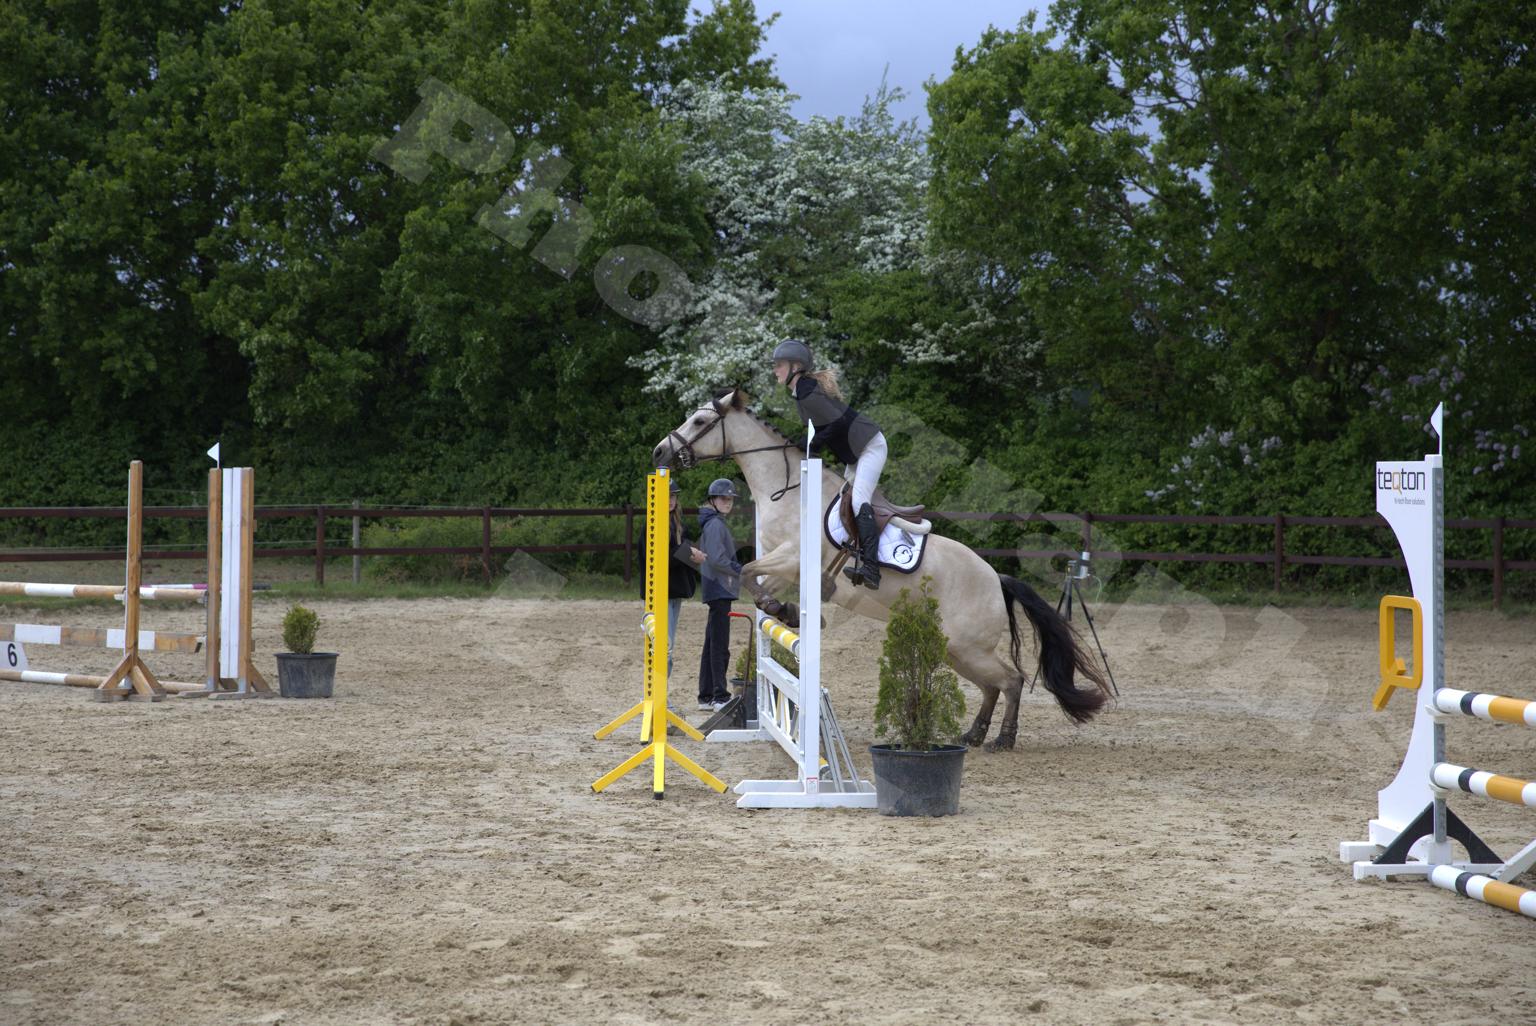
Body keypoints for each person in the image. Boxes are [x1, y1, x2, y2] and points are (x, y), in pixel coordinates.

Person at [771, 338, 887, 588]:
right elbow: (823, 426)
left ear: (795, 367)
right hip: (857, 454)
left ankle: (872, 568)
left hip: (870, 446)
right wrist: (805, 442)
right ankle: (856, 553)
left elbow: (836, 423)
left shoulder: (807, 392)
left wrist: (813, 443)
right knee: (842, 501)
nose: (775, 370)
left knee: (858, 501)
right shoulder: (802, 391)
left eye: (779, 365)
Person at [696, 478, 743, 711]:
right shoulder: (715, 524)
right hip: (719, 588)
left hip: (717, 589)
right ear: (713, 500)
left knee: (711, 643)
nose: (728, 502)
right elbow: (716, 559)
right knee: (719, 646)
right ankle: (719, 696)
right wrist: (740, 570)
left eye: (730, 499)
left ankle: (706, 696)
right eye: (724, 498)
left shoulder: (714, 521)